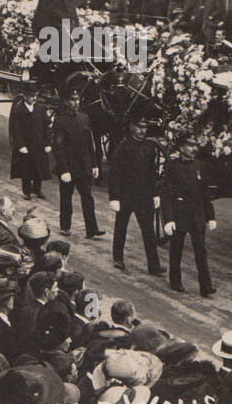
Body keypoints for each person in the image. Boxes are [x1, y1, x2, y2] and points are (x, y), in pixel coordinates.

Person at [107, 119, 163, 275]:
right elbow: (115, 173)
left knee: (149, 231)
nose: (142, 130)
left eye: (145, 128)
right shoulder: (123, 147)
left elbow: (153, 173)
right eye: (139, 127)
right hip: (126, 195)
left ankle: (154, 265)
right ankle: (118, 258)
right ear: (132, 127)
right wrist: (114, 198)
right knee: (121, 227)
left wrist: (155, 194)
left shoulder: (150, 147)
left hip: (144, 196)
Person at [161, 139, 216, 296]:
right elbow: (166, 194)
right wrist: (169, 219)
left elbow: (205, 194)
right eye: (189, 146)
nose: (193, 149)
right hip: (180, 215)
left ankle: (206, 286)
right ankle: (175, 281)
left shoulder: (200, 166)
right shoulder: (172, 166)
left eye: (195, 146)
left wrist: (211, 216)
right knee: (176, 248)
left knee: (201, 251)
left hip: (197, 216)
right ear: (181, 148)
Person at [52, 89, 103, 239]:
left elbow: (89, 144)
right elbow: (58, 146)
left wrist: (94, 165)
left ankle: (92, 229)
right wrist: (63, 169)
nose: (76, 103)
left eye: (77, 100)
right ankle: (65, 227)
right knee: (66, 198)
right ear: (66, 102)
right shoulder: (60, 120)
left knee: (88, 197)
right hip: (69, 167)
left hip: (84, 166)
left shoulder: (84, 118)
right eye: (72, 100)